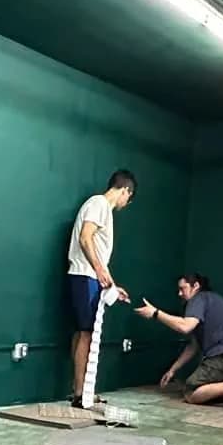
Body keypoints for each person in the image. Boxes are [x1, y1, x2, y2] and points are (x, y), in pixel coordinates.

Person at [137, 273, 223, 411]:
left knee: (191, 392)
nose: (180, 293)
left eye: (183, 288)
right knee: (209, 391)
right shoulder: (212, 300)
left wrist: (156, 313)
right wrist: (172, 370)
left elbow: (185, 327)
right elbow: (193, 345)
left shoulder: (199, 299)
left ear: (196, 286)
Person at [64, 171, 136, 405]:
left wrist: (113, 285)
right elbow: (86, 238)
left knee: (82, 332)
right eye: (129, 198)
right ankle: (80, 393)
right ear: (125, 190)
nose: (126, 204)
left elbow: (98, 255)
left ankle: (78, 389)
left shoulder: (102, 209)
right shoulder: (99, 203)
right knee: (87, 333)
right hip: (85, 276)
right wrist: (99, 270)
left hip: (88, 277)